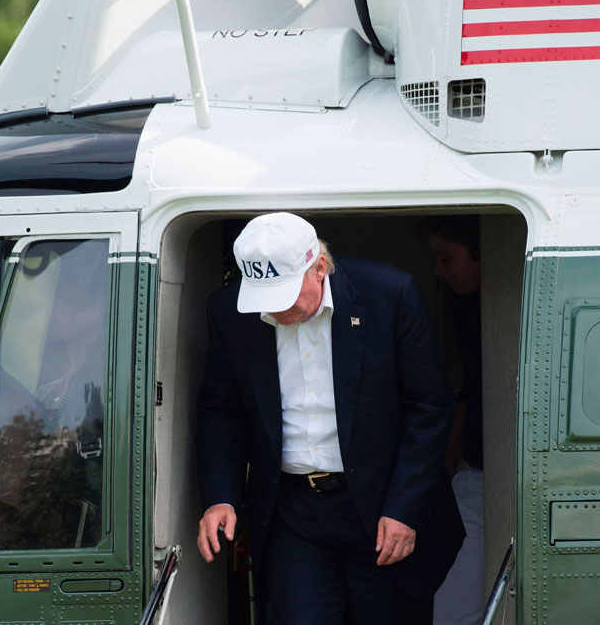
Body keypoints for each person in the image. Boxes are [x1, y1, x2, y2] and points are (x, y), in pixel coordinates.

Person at [195, 212, 464, 625]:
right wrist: (221, 496)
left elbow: (428, 408)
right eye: (263, 298)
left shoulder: (389, 293)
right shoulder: (229, 313)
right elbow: (221, 412)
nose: (275, 311)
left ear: (319, 266)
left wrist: (405, 508)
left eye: (284, 295)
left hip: (382, 506)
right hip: (293, 513)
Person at [421, 216, 485, 625]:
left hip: (480, 470)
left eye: (447, 258)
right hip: (474, 467)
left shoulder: (480, 307)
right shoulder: (464, 305)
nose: (438, 272)